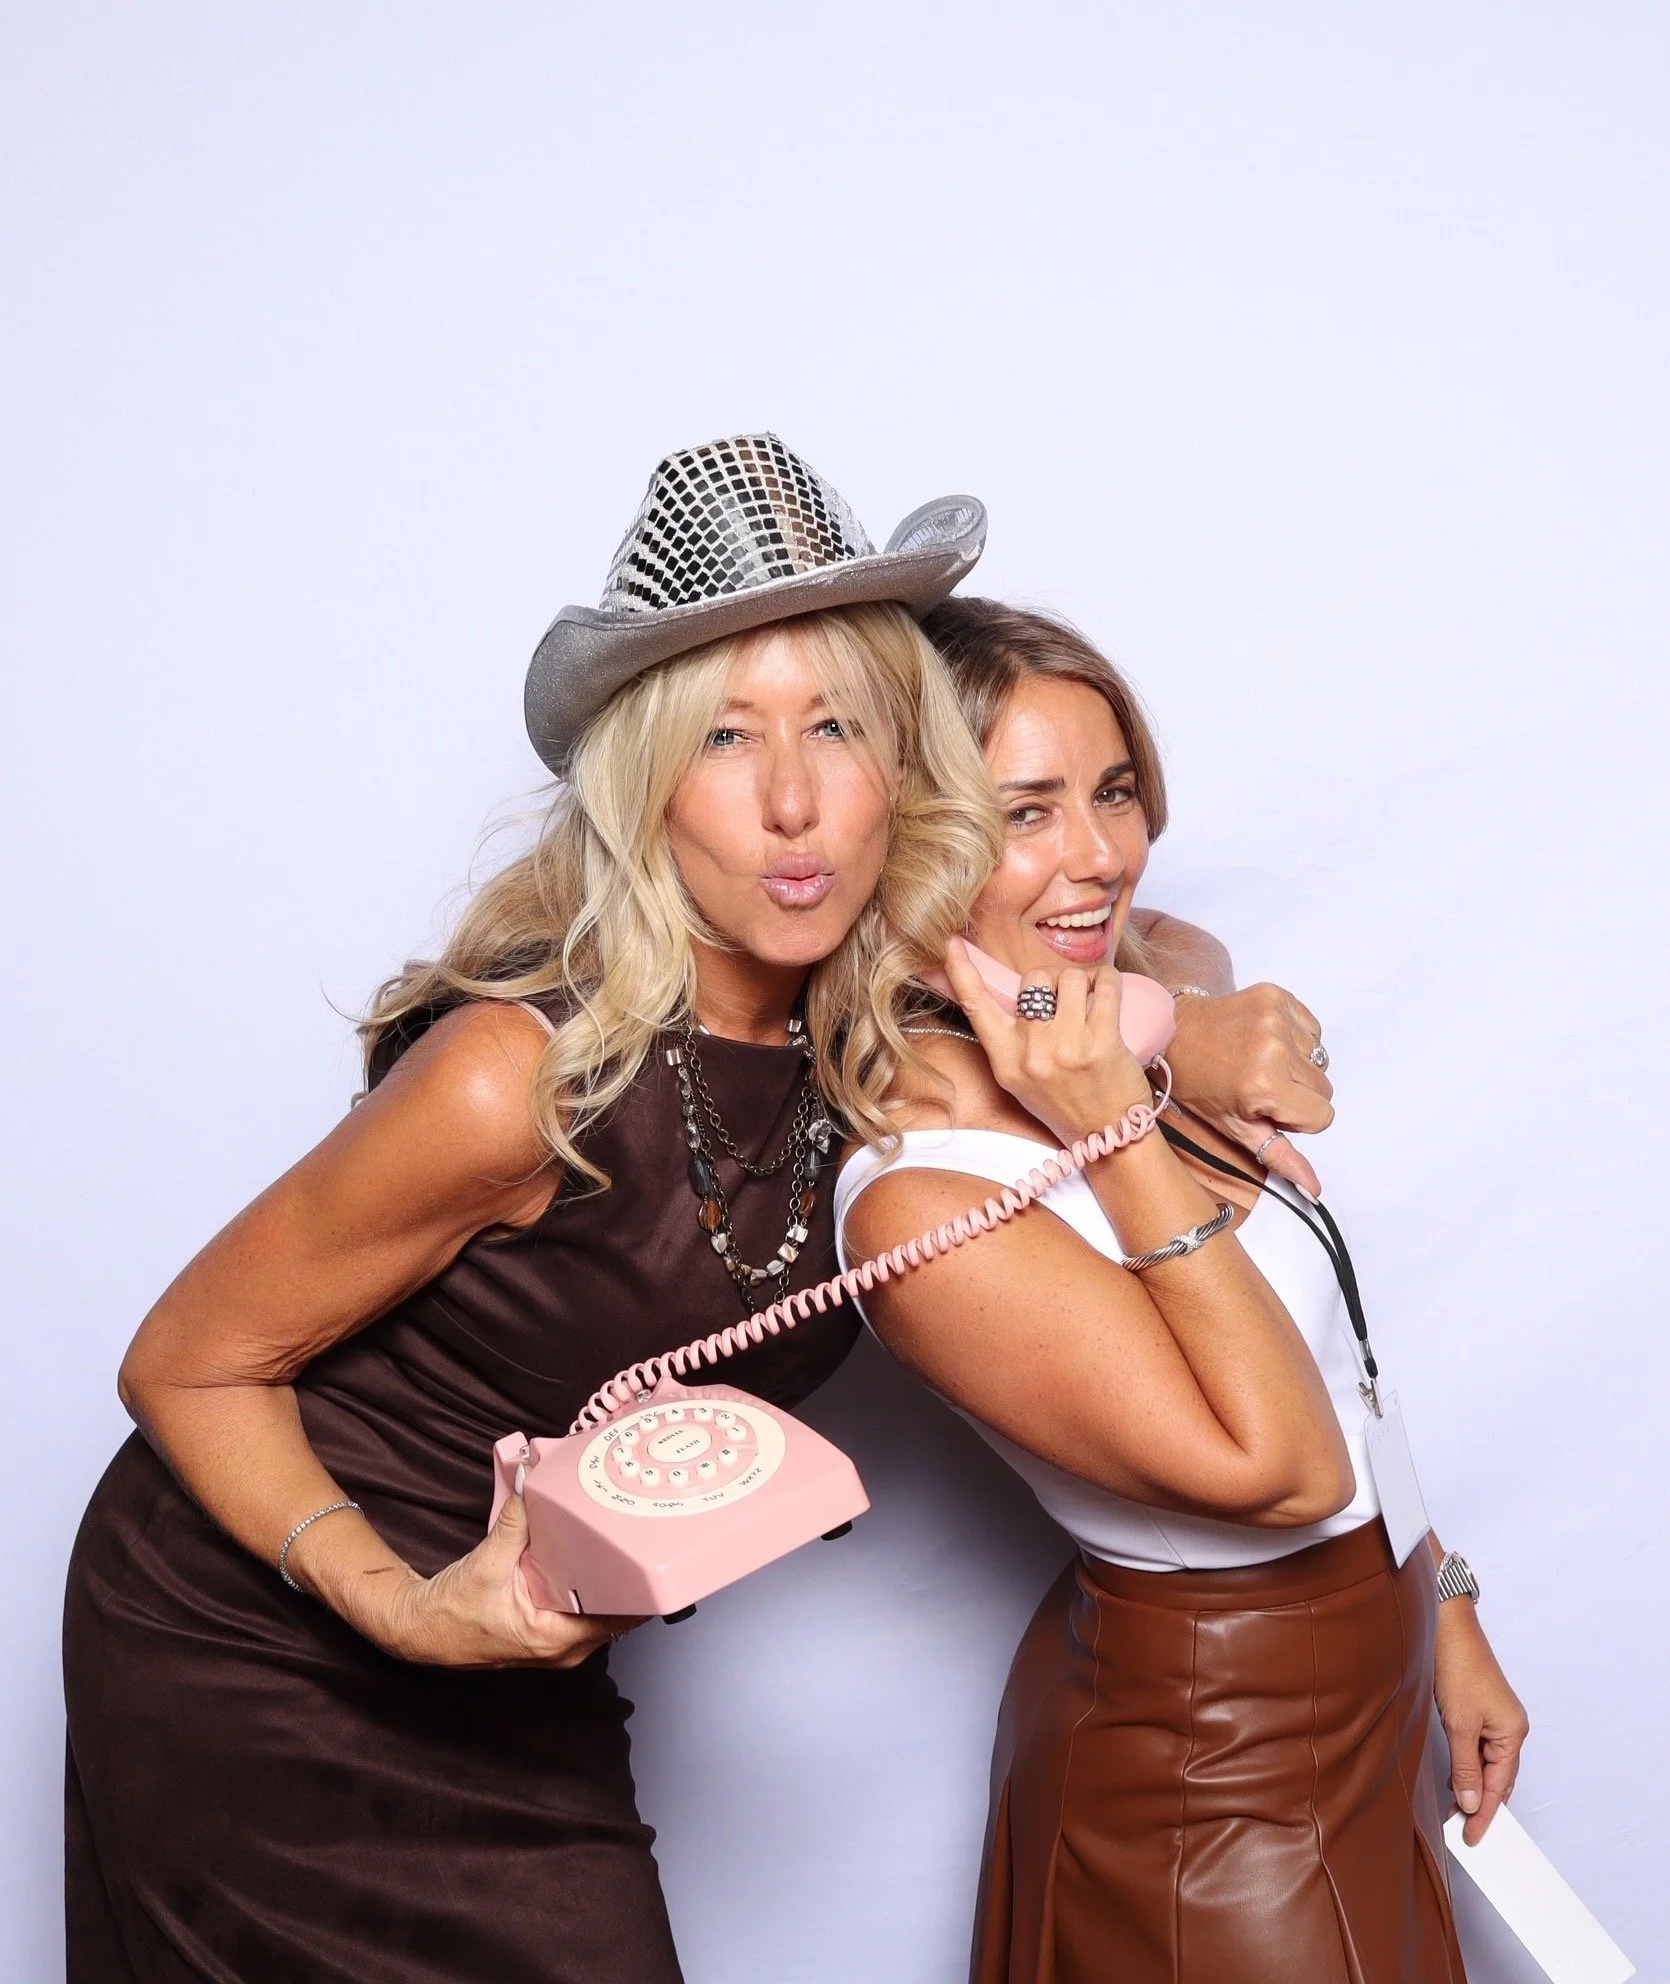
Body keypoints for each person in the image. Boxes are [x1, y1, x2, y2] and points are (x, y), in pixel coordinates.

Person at [62, 436, 1321, 1982]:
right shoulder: (513, 1082)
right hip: (270, 1633)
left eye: (840, 728)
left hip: (528, 1637)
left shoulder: (882, 1026)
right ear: (648, 784)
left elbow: (1160, 930)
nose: (796, 805)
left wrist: (1170, 1028)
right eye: (727, 738)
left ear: (905, 768)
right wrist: (402, 1612)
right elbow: (183, 1361)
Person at [836, 597, 1531, 1984]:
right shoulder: (928, 1197)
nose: (1098, 858)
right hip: (1213, 1789)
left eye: (1113, 793)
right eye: (1024, 814)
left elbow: (1332, 1366)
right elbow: (1281, 1464)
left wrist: (1443, 1602)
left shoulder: (1123, 1001)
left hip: (1359, 1697)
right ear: (913, 851)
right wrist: (1120, 1127)